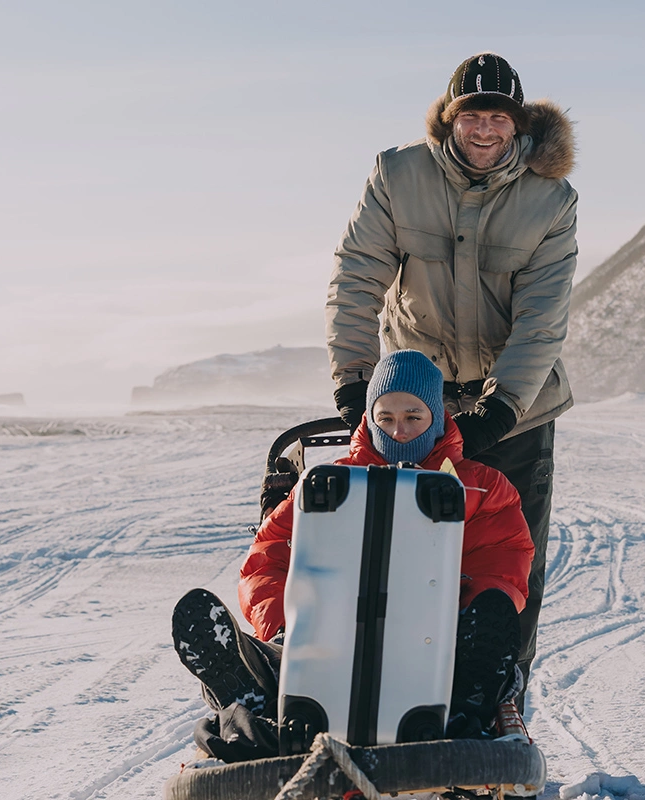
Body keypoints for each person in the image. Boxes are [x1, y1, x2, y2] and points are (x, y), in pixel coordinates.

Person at [326, 52, 577, 709]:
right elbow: (358, 275)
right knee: (395, 547)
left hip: (515, 409)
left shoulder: (551, 199)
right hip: (415, 400)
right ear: (449, 120)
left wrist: (503, 409)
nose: (485, 130)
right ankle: (380, 694)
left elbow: (542, 320)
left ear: (518, 126)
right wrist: (356, 382)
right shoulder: (398, 173)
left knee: (509, 561)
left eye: (499, 117)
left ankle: (497, 705)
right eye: (472, 116)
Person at [173, 350, 535, 760]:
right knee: (282, 654)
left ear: (437, 416)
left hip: (433, 639)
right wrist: (286, 623)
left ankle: (464, 709)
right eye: (386, 417)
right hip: (327, 636)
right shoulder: (326, 485)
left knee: (487, 639)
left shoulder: (481, 487)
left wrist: (461, 608)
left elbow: (503, 563)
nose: (399, 431)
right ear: (371, 416)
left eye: (414, 416)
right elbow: (267, 558)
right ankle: (252, 683)